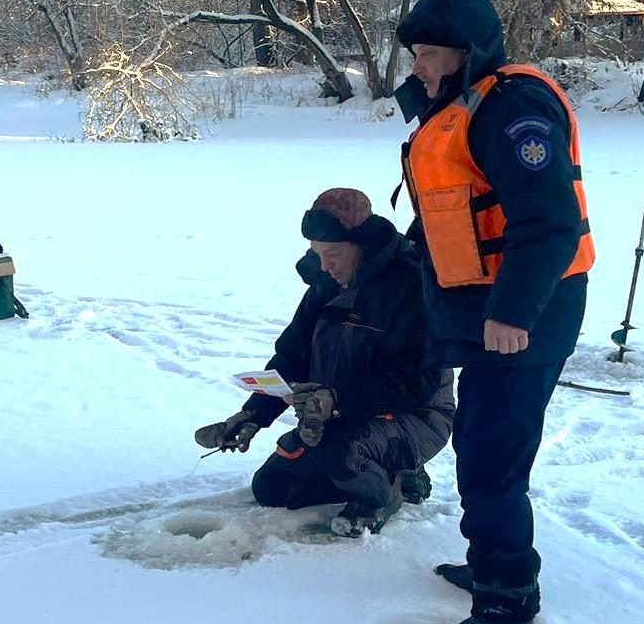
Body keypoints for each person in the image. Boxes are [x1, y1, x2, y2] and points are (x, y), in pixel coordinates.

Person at [393, 0, 594, 624]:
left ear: (464, 51)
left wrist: (512, 314)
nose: (416, 65)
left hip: (527, 310)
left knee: (492, 459)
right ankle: (492, 565)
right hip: (492, 308)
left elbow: (551, 223)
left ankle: (506, 607)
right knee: (482, 440)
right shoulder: (461, 104)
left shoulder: (512, 107)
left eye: (426, 52)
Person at [195, 188, 455, 536]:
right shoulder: (325, 285)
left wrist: (336, 399)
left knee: (339, 450)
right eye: (317, 254)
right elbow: (291, 358)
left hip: (418, 416)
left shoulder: (410, 286)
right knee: (272, 488)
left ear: (361, 246)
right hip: (340, 416)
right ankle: (380, 471)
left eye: (332, 254)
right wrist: (253, 415)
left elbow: (417, 383)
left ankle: (386, 493)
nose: (324, 264)